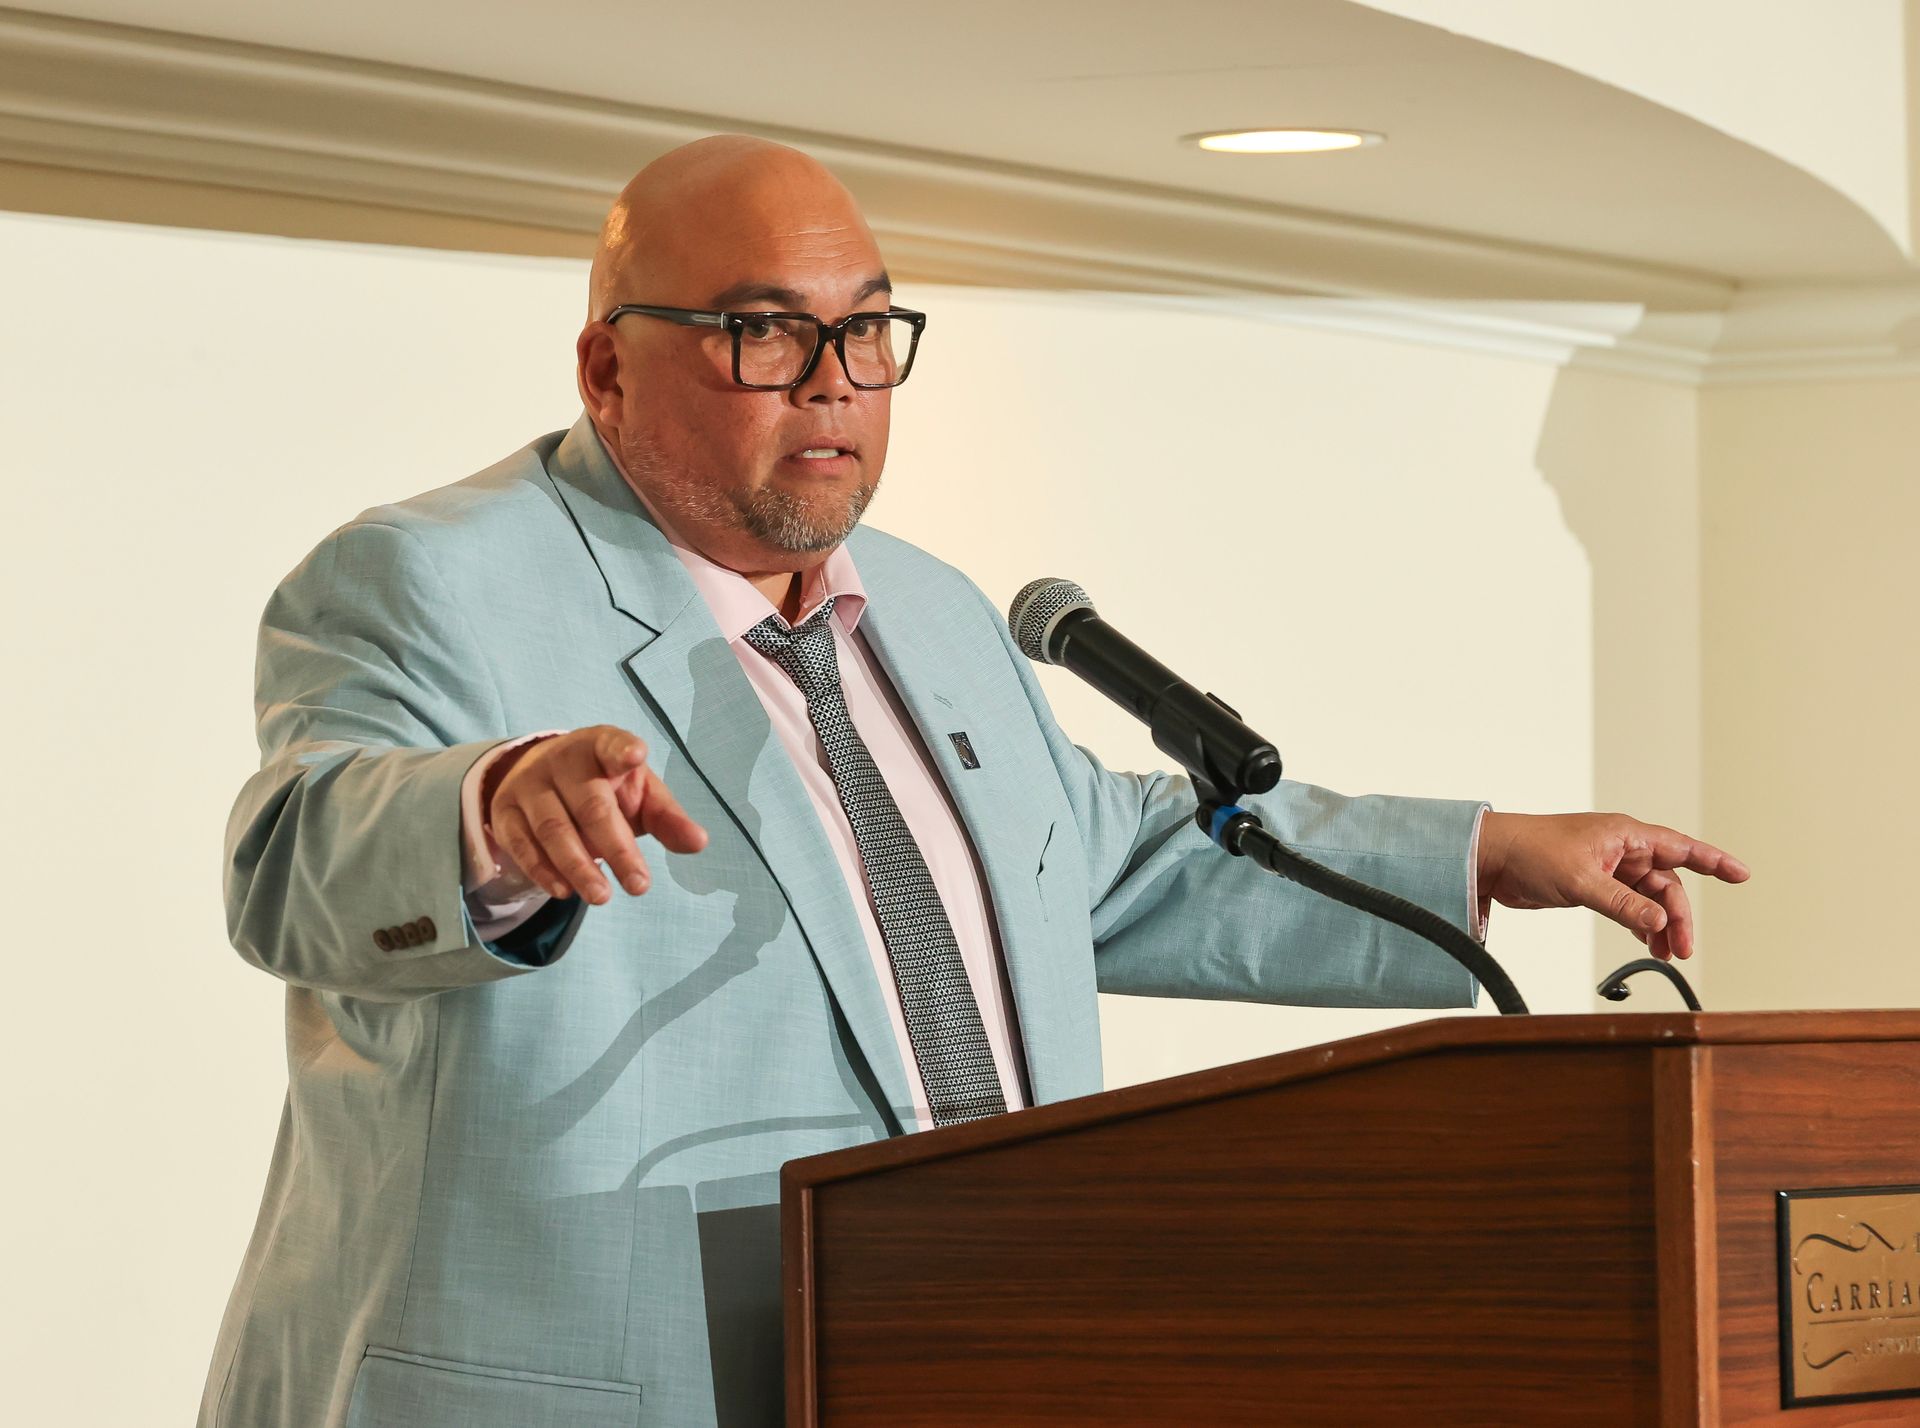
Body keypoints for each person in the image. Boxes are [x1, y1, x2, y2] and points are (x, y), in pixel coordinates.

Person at [196, 134, 1748, 1428]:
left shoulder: (931, 609)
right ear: (609, 366)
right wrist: (489, 814)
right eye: (762, 332)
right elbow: (291, 858)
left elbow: (1102, 863)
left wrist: (1479, 856)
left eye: (867, 332)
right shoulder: (432, 580)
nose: (832, 382)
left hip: (950, 1353)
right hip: (588, 1384)